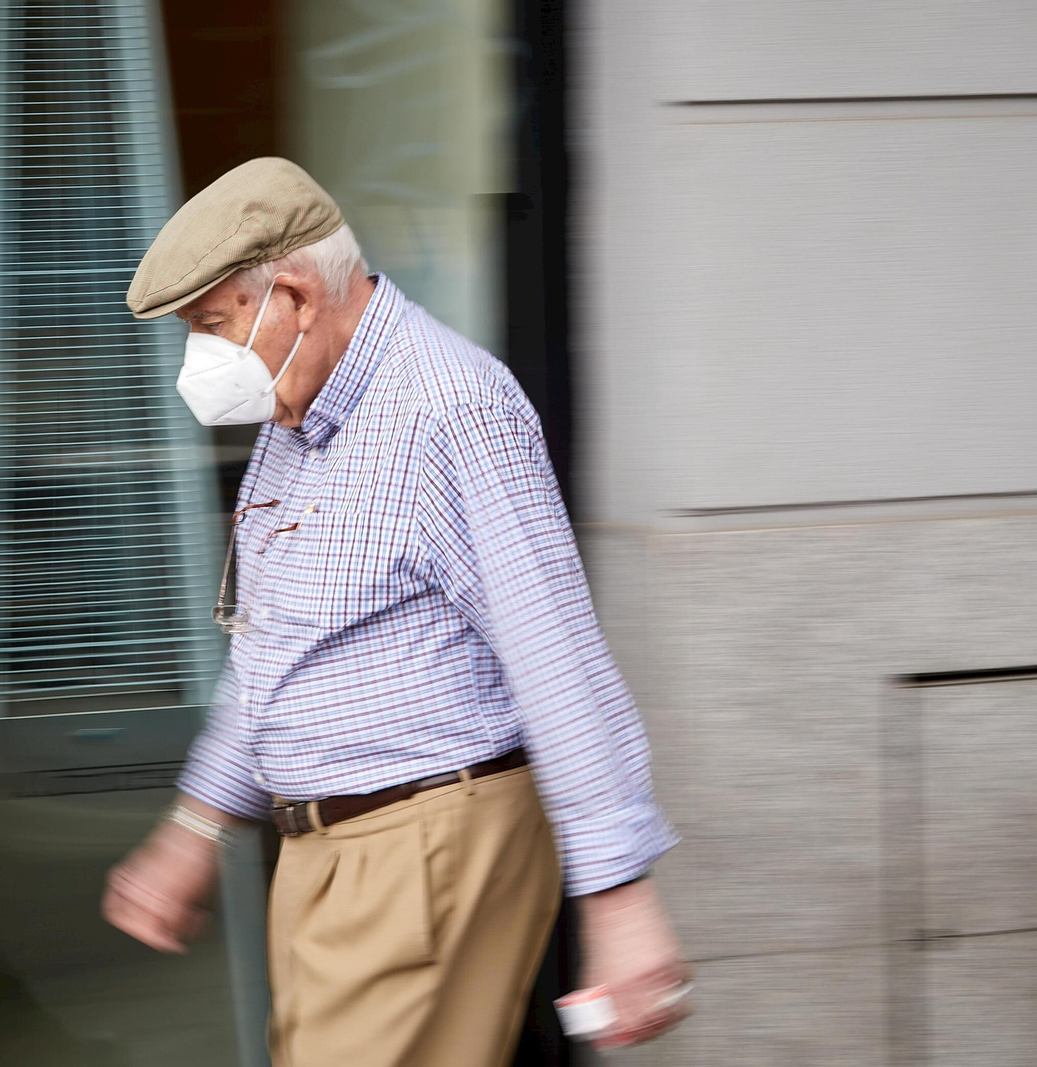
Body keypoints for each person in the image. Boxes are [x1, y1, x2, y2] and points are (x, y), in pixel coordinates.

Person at [103, 157, 690, 1066]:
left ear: (294, 295)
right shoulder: (297, 421)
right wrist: (197, 826)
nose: (202, 363)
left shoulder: (453, 409)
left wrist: (619, 898)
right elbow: (272, 651)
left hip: (425, 842)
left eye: (213, 327)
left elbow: (556, 655)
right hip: (326, 851)